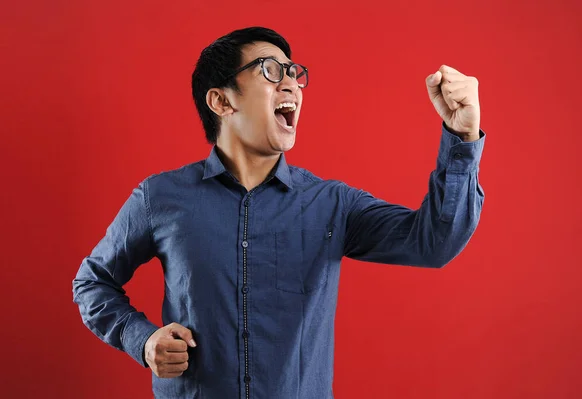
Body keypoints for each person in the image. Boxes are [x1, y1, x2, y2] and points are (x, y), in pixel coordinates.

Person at [72, 26, 486, 399]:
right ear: (220, 100)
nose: (292, 83)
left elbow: (434, 243)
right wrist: (142, 340)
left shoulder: (332, 204)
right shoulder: (160, 197)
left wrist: (461, 135)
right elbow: (92, 282)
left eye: (295, 74)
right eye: (271, 70)